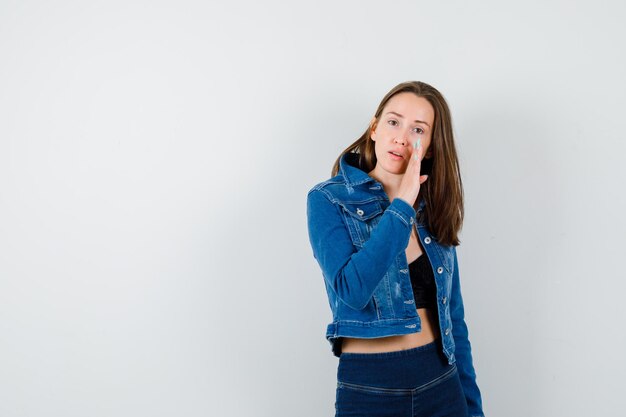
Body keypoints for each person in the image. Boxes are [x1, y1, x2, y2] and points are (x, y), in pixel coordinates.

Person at [306, 81, 485, 417]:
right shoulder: (328, 200)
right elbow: (353, 290)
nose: (402, 137)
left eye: (418, 129)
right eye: (393, 122)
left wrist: (473, 409)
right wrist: (401, 206)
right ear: (374, 128)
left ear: (430, 147)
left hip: (441, 382)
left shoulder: (432, 208)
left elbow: (454, 318)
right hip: (369, 389)